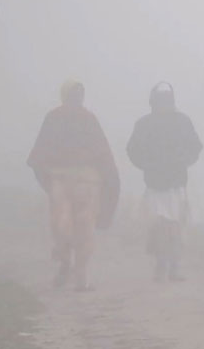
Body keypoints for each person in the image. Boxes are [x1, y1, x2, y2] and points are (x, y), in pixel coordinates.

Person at [28, 80, 120, 292]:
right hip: (67, 180)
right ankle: (68, 265)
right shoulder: (57, 118)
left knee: (78, 226)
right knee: (67, 226)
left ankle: (79, 275)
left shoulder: (84, 119)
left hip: (84, 182)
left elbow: (39, 156)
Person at [127, 82, 203, 283]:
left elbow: (195, 146)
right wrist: (146, 164)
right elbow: (133, 150)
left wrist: (184, 160)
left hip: (177, 184)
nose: (164, 104)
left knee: (175, 226)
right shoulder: (144, 124)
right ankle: (161, 265)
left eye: (167, 100)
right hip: (154, 184)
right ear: (153, 102)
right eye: (160, 101)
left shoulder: (182, 122)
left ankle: (174, 267)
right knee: (159, 225)